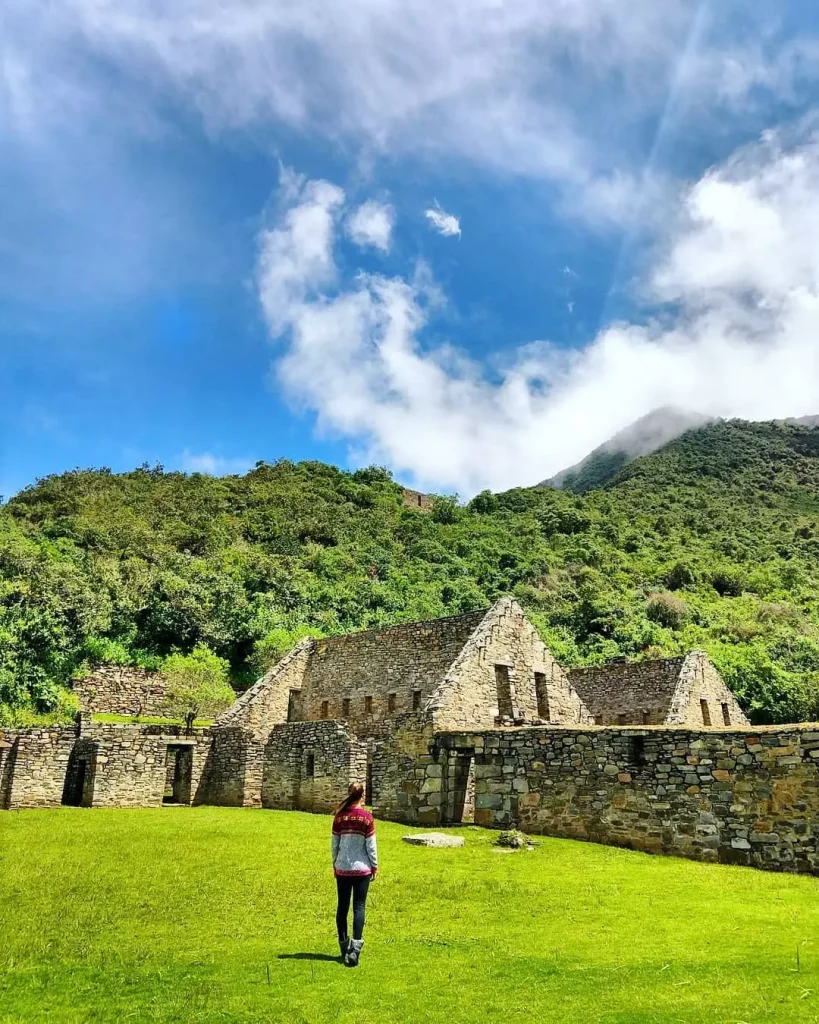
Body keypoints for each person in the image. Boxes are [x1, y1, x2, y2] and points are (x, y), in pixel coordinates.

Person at [331, 781, 378, 967]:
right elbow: (371, 845)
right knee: (359, 907)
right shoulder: (367, 818)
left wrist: (335, 863)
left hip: (343, 868)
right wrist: (374, 865)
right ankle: (355, 949)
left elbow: (334, 845)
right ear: (362, 796)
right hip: (362, 869)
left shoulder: (339, 817)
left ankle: (344, 944)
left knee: (342, 907)